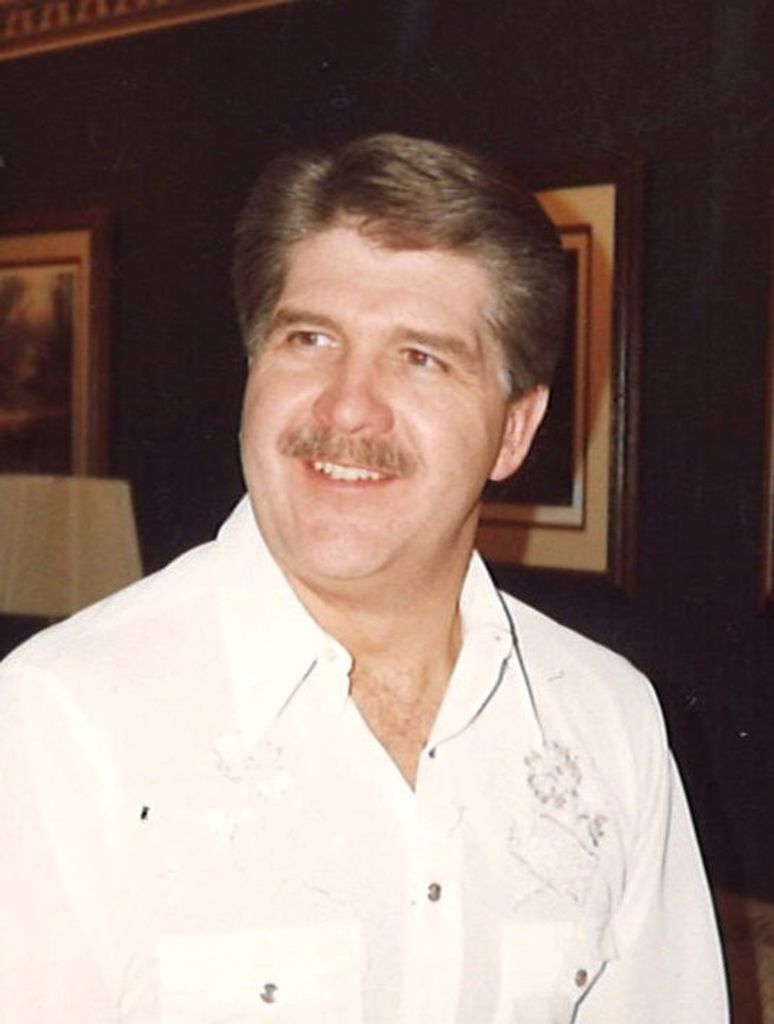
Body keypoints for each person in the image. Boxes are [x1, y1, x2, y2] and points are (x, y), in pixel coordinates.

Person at [0, 133, 728, 1023]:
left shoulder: (608, 720)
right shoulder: (64, 720)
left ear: (514, 431)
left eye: (421, 357)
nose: (347, 406)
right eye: (310, 339)